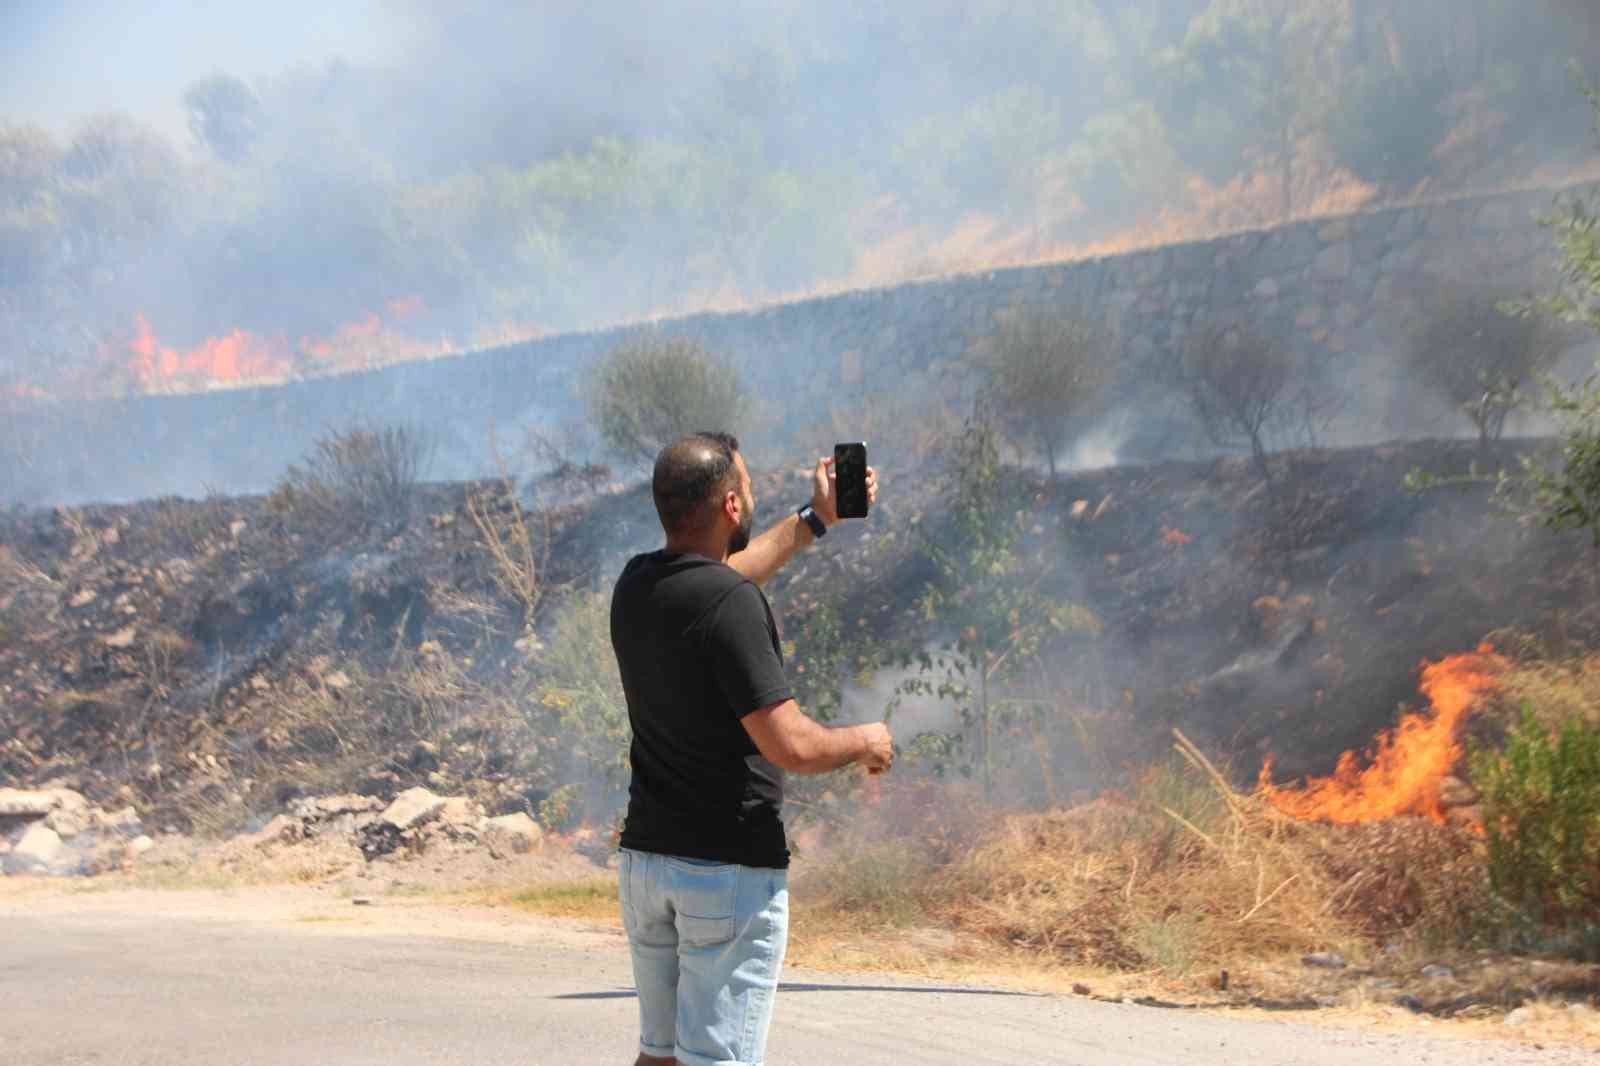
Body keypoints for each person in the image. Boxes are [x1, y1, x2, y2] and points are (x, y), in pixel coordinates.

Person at [610, 431, 894, 1066]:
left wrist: (817, 518)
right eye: (748, 486)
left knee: (659, 1058)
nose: (755, 495)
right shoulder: (731, 604)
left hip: (648, 864)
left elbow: (725, 576)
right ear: (732, 506)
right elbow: (791, 744)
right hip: (725, 873)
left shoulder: (637, 584)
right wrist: (863, 741)